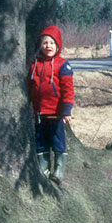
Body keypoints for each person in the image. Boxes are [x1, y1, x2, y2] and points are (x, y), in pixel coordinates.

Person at [27, 25, 75, 184]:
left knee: (57, 140)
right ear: (40, 45)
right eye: (45, 43)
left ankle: (58, 170)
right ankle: (43, 168)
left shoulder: (63, 65)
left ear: (58, 46)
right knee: (41, 141)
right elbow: (30, 85)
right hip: (40, 113)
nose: (48, 46)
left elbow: (68, 90)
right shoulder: (35, 65)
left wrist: (67, 110)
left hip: (56, 113)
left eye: (52, 43)